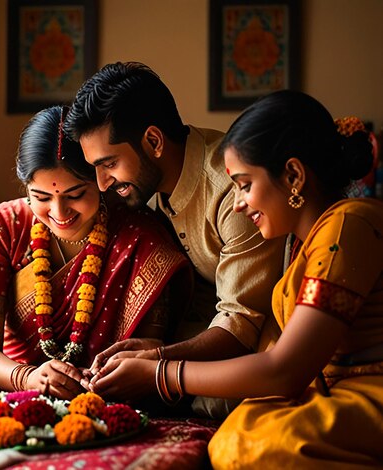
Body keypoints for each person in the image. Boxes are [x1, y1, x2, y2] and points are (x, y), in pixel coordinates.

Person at [87, 90, 383, 467]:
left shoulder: (347, 225)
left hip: (366, 390)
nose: (239, 203)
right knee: (237, 432)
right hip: (326, 390)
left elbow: (285, 370)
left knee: (253, 446)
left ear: (292, 175)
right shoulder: (304, 242)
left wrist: (159, 372)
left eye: (244, 184)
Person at [64, 61, 286, 416]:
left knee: (209, 406)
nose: (103, 183)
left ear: (153, 141)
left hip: (271, 347)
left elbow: (241, 324)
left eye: (109, 164)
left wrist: (157, 361)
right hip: (215, 343)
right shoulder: (152, 189)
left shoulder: (233, 192)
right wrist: (147, 351)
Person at [0, 105, 192, 400]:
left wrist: (98, 380)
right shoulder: (5, 227)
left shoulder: (140, 237)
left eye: (75, 195)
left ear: (101, 181)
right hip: (8, 382)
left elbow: (147, 352)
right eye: (41, 197)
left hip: (104, 393)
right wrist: (27, 377)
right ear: (26, 189)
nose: (59, 213)